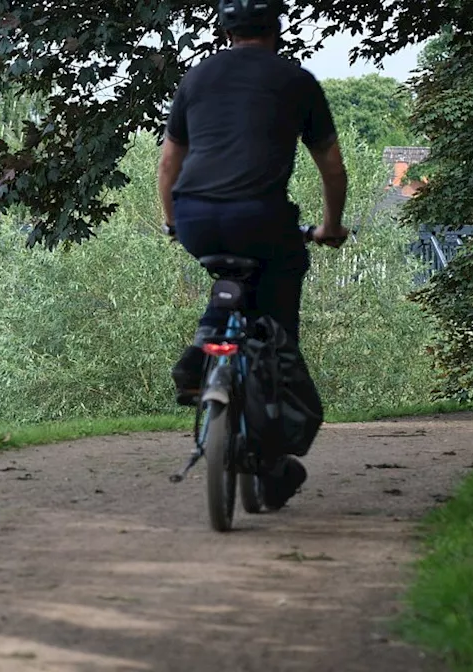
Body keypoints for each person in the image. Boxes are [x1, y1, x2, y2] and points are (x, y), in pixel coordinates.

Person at [156, 0, 350, 508]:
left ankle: (204, 345)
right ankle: (272, 462)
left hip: (196, 216)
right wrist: (330, 227)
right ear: (277, 30)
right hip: (263, 219)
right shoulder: (297, 80)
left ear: (226, 30)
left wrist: (176, 224)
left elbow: (168, 165)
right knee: (276, 329)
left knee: (232, 283)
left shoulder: (196, 79)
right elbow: (332, 167)